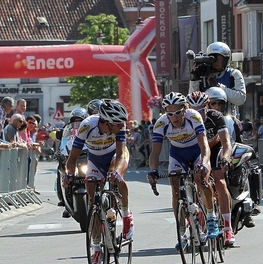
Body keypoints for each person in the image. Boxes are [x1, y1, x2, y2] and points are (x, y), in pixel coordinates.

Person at [147, 92, 219, 250]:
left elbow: (204, 146)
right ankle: (181, 231)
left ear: (185, 109)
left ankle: (211, 217)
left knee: (202, 180)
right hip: (177, 154)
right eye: (170, 114)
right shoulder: (161, 123)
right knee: (175, 189)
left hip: (196, 151)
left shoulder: (194, 117)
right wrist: (153, 170)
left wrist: (205, 163)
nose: (175, 117)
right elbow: (154, 154)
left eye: (178, 113)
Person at [63, 100, 134, 247]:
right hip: (95, 159)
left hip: (115, 155)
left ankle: (127, 217)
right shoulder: (87, 126)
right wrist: (69, 175)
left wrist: (118, 173)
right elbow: (73, 158)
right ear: (107, 122)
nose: (122, 127)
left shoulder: (119, 126)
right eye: (118, 124)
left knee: (117, 176)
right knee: (92, 197)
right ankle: (96, 247)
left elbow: (121, 155)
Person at [186, 90, 235, 245]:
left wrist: (226, 158)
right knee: (194, 183)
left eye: (200, 110)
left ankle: (228, 228)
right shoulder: (186, 119)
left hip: (215, 148)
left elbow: (226, 143)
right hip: (198, 151)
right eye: (193, 110)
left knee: (220, 181)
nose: (197, 114)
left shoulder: (215, 117)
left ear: (206, 107)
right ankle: (197, 223)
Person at [205, 87, 258, 227]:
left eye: (220, 103)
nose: (217, 107)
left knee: (249, 169)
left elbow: (240, 140)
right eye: (213, 103)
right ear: (208, 104)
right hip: (210, 156)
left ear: (225, 105)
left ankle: (250, 207)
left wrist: (237, 155)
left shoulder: (232, 120)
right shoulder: (203, 120)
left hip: (231, 155)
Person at [189, 41, 246, 118]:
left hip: (228, 119)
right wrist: (194, 79)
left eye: (219, 59)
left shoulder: (233, 74)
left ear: (226, 60)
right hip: (206, 120)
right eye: (213, 59)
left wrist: (218, 86)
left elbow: (240, 99)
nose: (216, 62)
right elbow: (192, 101)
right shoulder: (202, 75)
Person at [56, 107, 88, 211]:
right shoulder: (68, 130)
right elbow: (63, 142)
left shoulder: (89, 128)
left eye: (80, 120)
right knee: (60, 170)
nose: (77, 123)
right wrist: (60, 152)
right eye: (75, 120)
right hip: (71, 156)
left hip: (85, 156)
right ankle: (62, 199)